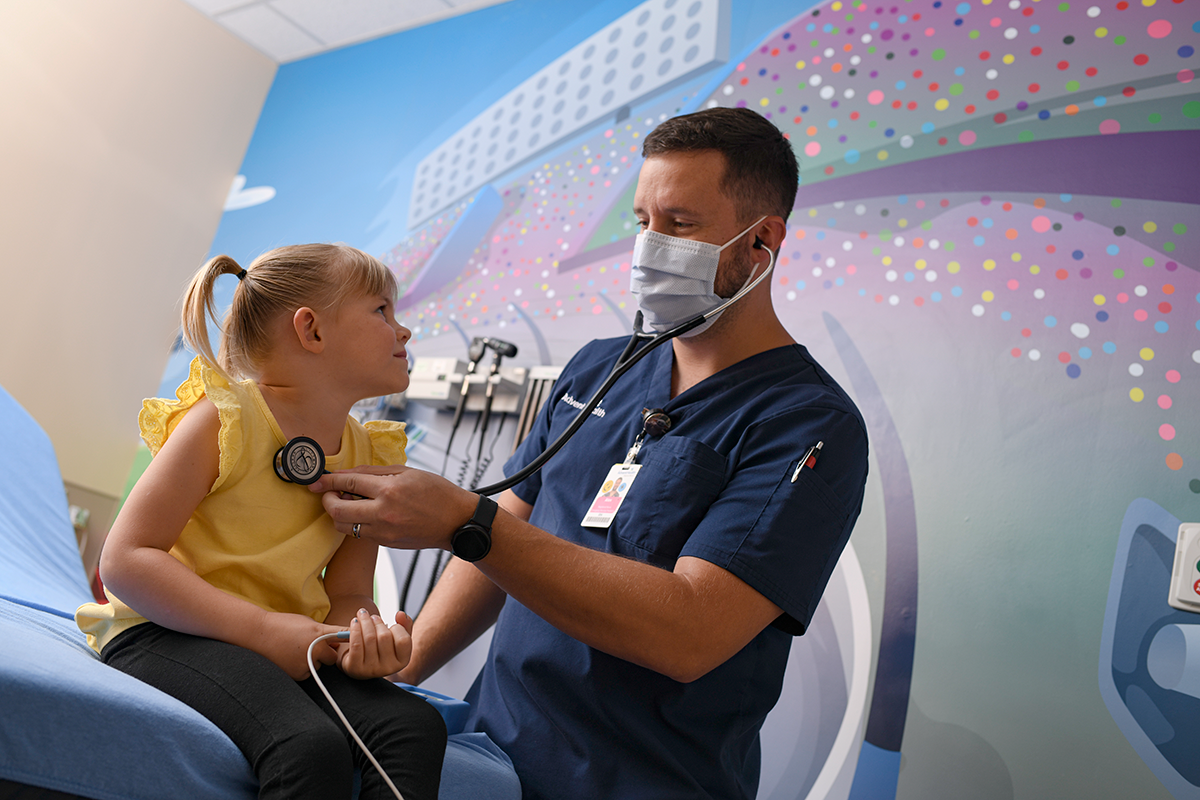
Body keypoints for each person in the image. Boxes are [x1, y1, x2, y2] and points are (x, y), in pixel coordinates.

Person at [311, 107, 870, 799]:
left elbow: (690, 633)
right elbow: (508, 532)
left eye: (680, 224)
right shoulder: (599, 368)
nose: (649, 247)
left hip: (643, 780)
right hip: (492, 754)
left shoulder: (807, 425)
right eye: (642, 222)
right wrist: (402, 667)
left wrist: (466, 521)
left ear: (762, 242)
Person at [76, 244, 447, 800]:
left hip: (284, 645)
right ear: (311, 330)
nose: (404, 331)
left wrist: (358, 641)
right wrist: (264, 630)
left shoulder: (371, 454)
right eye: (382, 312)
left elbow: (347, 591)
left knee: (415, 728)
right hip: (164, 630)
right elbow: (126, 561)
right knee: (308, 745)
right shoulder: (222, 423)